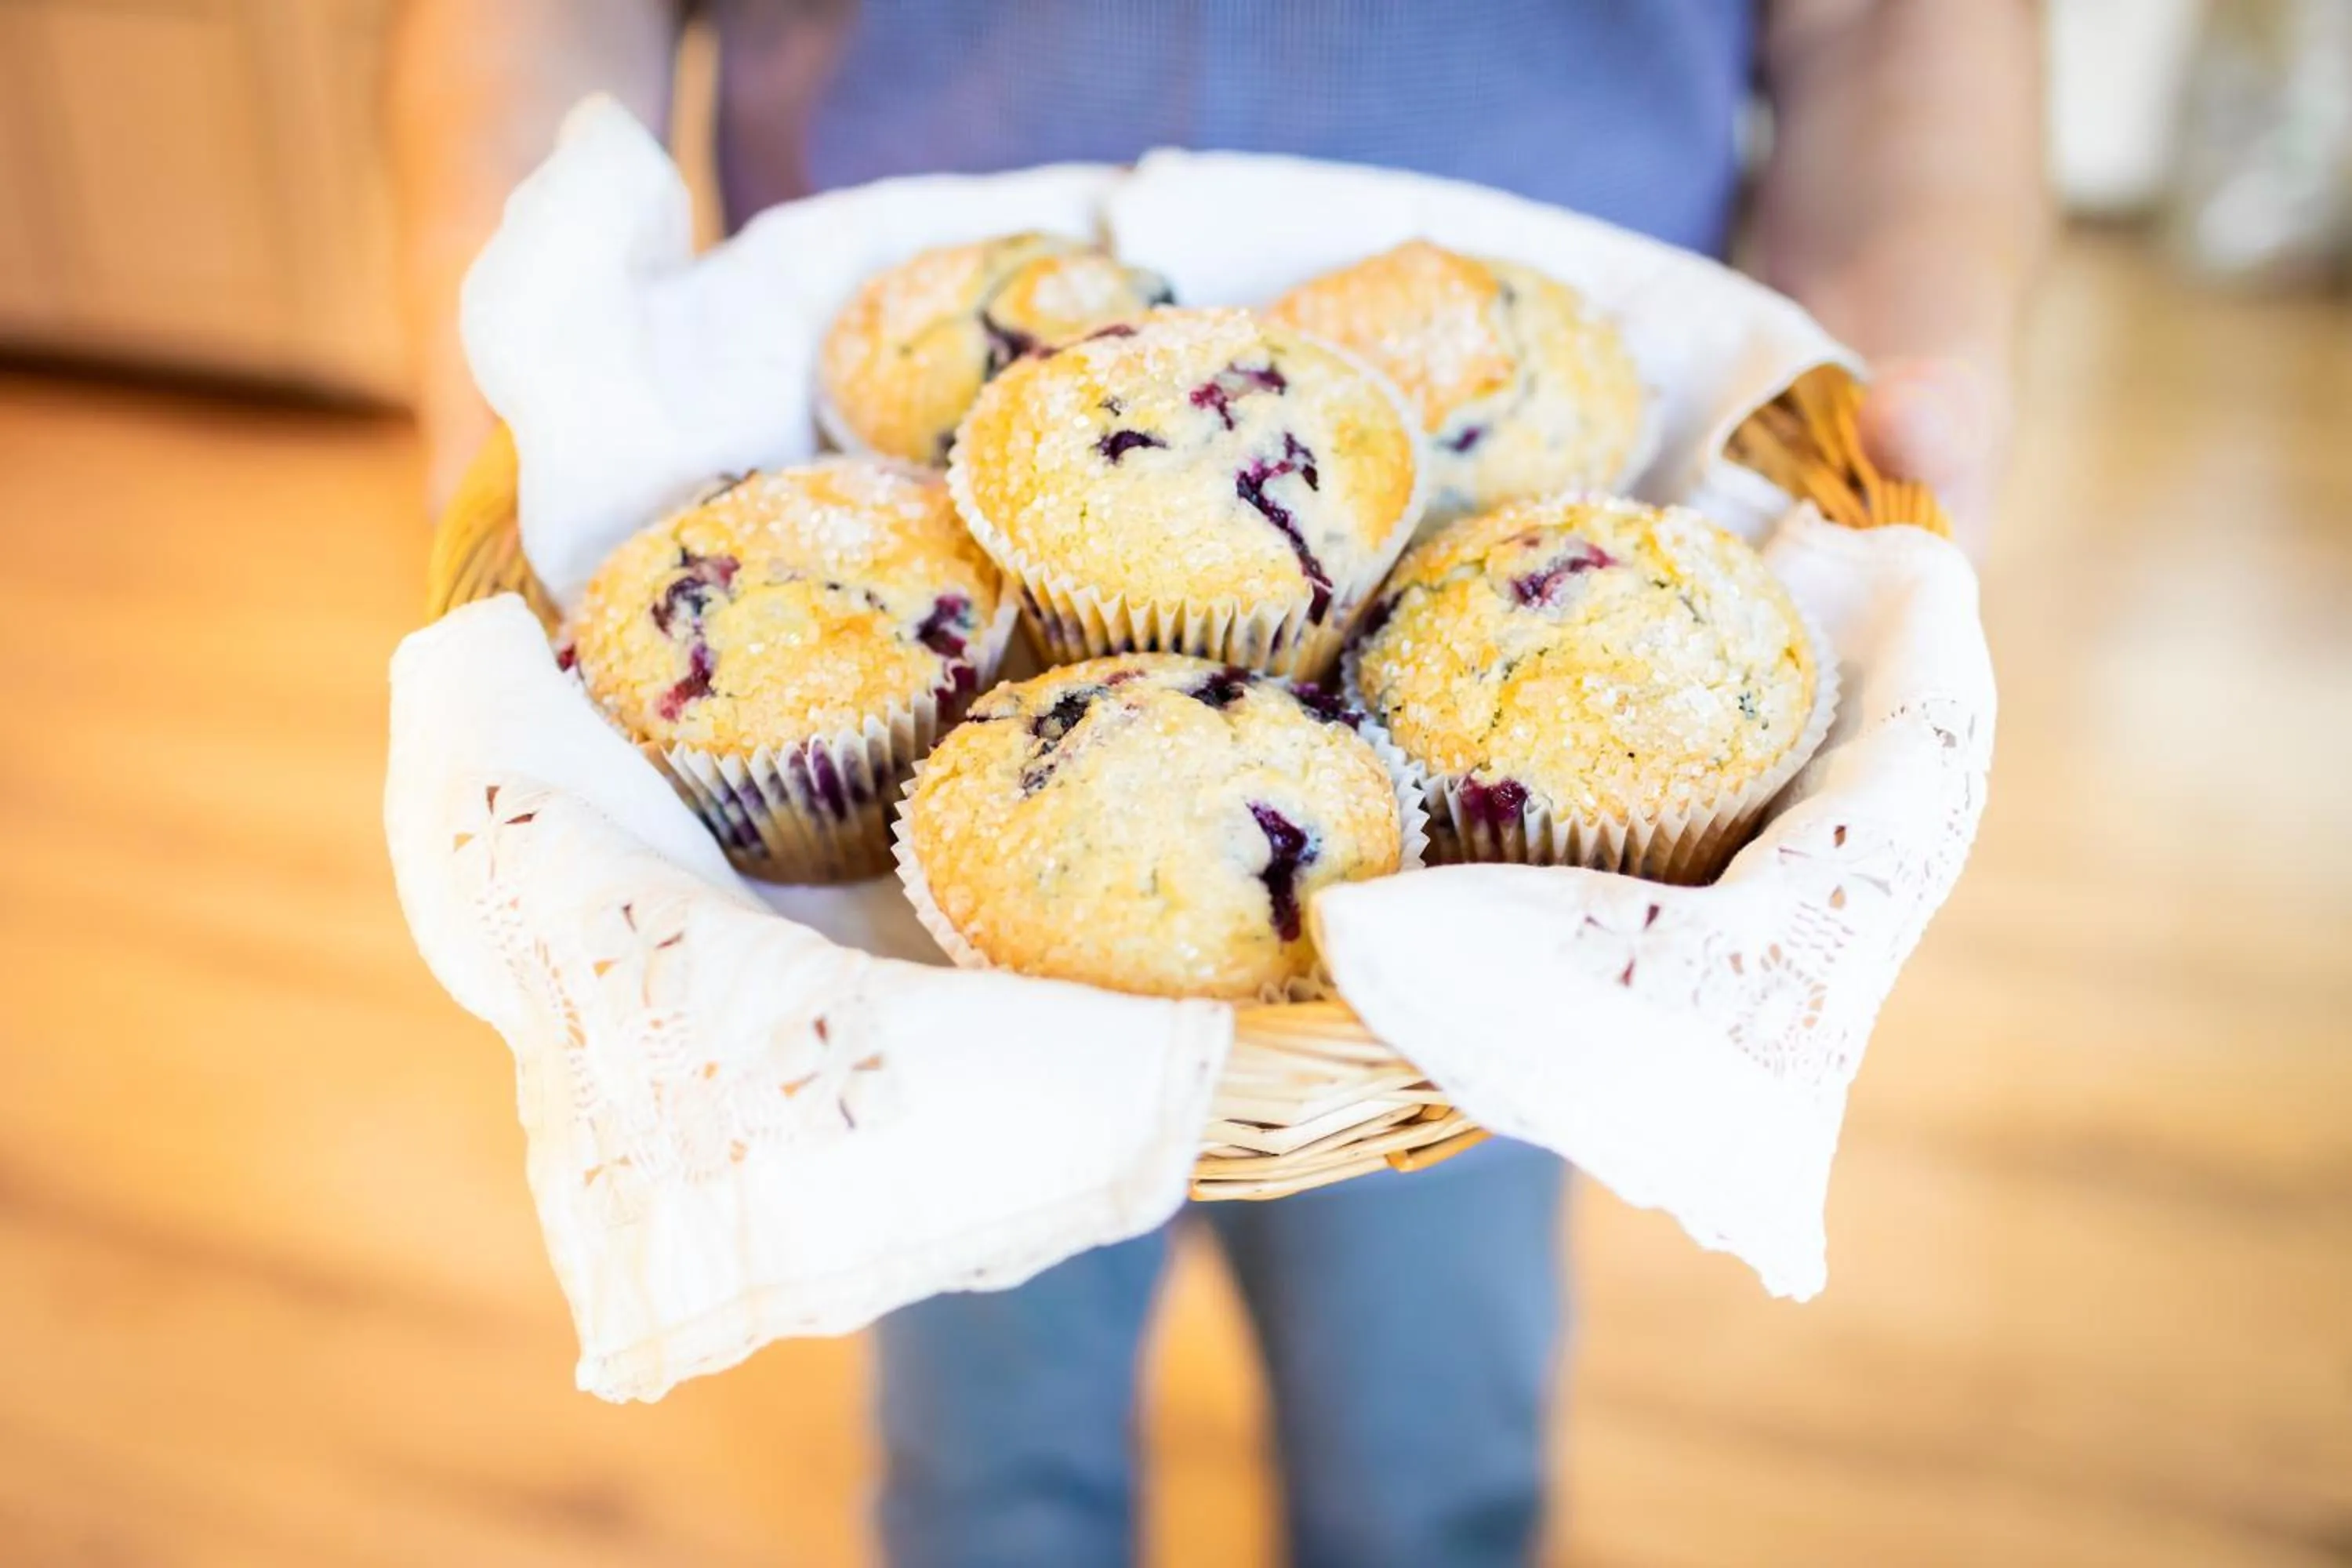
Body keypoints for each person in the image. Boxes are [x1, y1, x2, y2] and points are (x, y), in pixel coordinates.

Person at [390, 4, 2045, 1564]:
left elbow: (1902, 28)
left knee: (1429, 1444)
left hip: (1503, 929)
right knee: (985, 1457)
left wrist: (1920, 336)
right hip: (908, 1003)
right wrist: (514, 370)